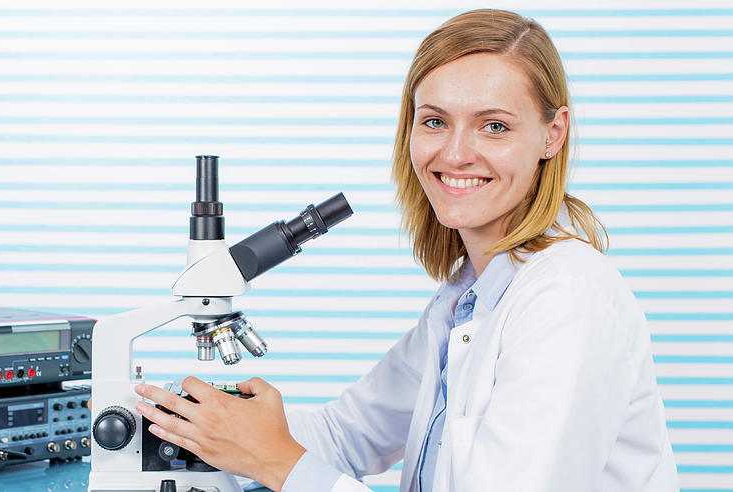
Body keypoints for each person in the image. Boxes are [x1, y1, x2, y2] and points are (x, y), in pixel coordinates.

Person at [130, 9, 679, 492]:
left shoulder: (567, 302)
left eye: (493, 126)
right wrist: (178, 425)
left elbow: (293, 461)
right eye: (435, 121)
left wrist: (278, 461)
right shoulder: (469, 297)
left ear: (552, 134)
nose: (455, 153)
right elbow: (349, 434)